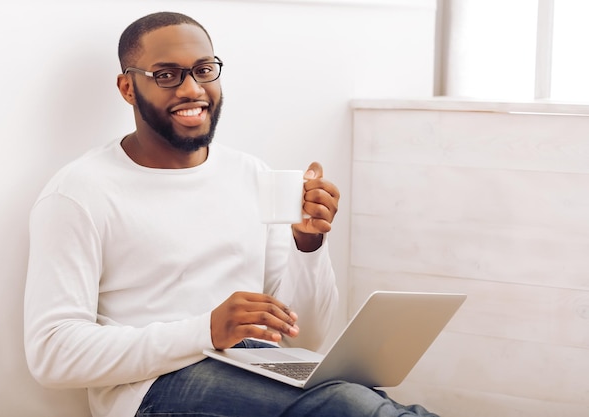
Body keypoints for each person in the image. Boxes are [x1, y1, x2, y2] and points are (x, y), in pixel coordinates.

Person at [24, 11, 440, 417]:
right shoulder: (80, 191)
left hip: (256, 362)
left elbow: (304, 338)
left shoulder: (251, 174)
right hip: (152, 388)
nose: (192, 89)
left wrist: (307, 246)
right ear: (128, 87)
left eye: (204, 70)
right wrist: (206, 330)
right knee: (348, 406)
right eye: (167, 75)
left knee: (364, 397)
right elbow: (51, 353)